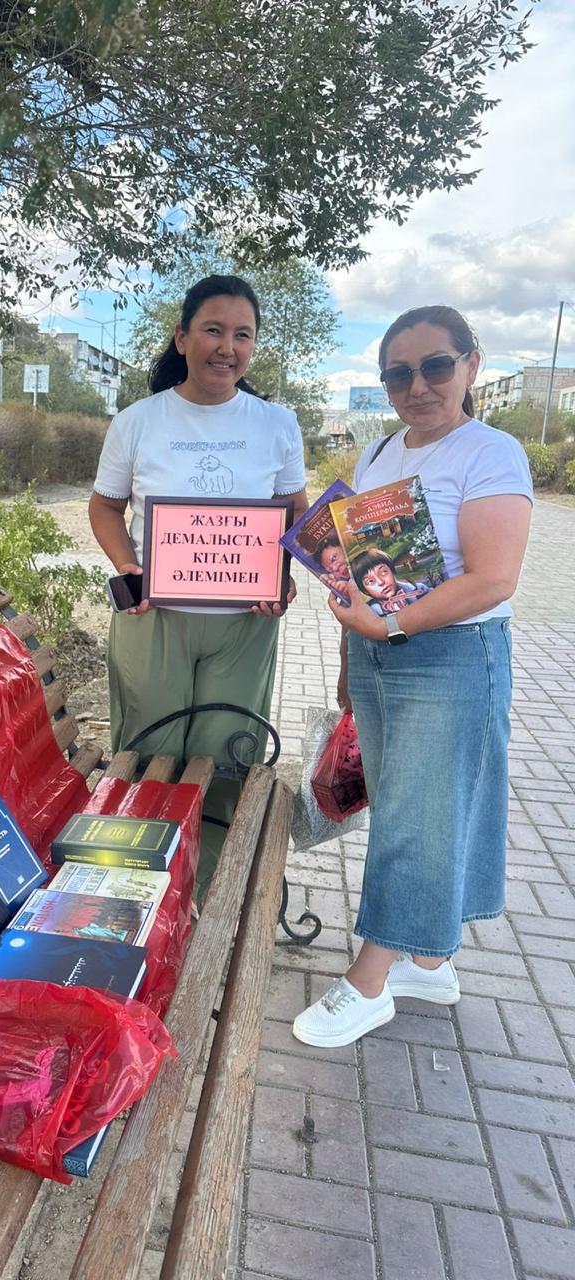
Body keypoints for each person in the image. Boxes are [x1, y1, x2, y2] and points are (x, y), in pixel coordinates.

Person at [293, 304, 533, 1048]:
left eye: (435, 366)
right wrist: (352, 651)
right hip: (379, 654)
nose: (417, 386)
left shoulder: (490, 452)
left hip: (450, 657)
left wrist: (390, 628)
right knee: (409, 806)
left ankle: (369, 983)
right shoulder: (379, 453)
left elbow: (493, 579)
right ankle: (428, 962)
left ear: (472, 364)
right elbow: (359, 567)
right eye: (399, 374)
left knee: (416, 819)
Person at [89, 275, 309, 902]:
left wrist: (282, 576)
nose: (227, 347)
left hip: (244, 625)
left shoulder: (276, 424)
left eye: (243, 335)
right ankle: (137, 894)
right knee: (148, 754)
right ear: (182, 337)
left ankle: (203, 894)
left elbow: (295, 514)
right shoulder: (137, 421)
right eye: (213, 330)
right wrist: (130, 567)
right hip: (154, 619)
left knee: (225, 757)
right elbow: (105, 508)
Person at [352, 549, 430, 615]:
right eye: (371, 581)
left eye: (383, 572)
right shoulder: (371, 612)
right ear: (364, 590)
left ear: (392, 571)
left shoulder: (419, 589)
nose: (380, 582)